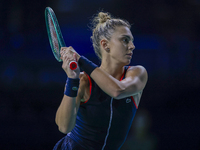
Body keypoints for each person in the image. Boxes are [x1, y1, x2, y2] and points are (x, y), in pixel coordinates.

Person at [53, 11, 148, 150]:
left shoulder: (137, 73)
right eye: (125, 40)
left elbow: (117, 90)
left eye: (132, 41)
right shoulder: (83, 81)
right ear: (105, 45)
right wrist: (72, 80)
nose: (132, 46)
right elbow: (63, 126)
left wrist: (80, 59)